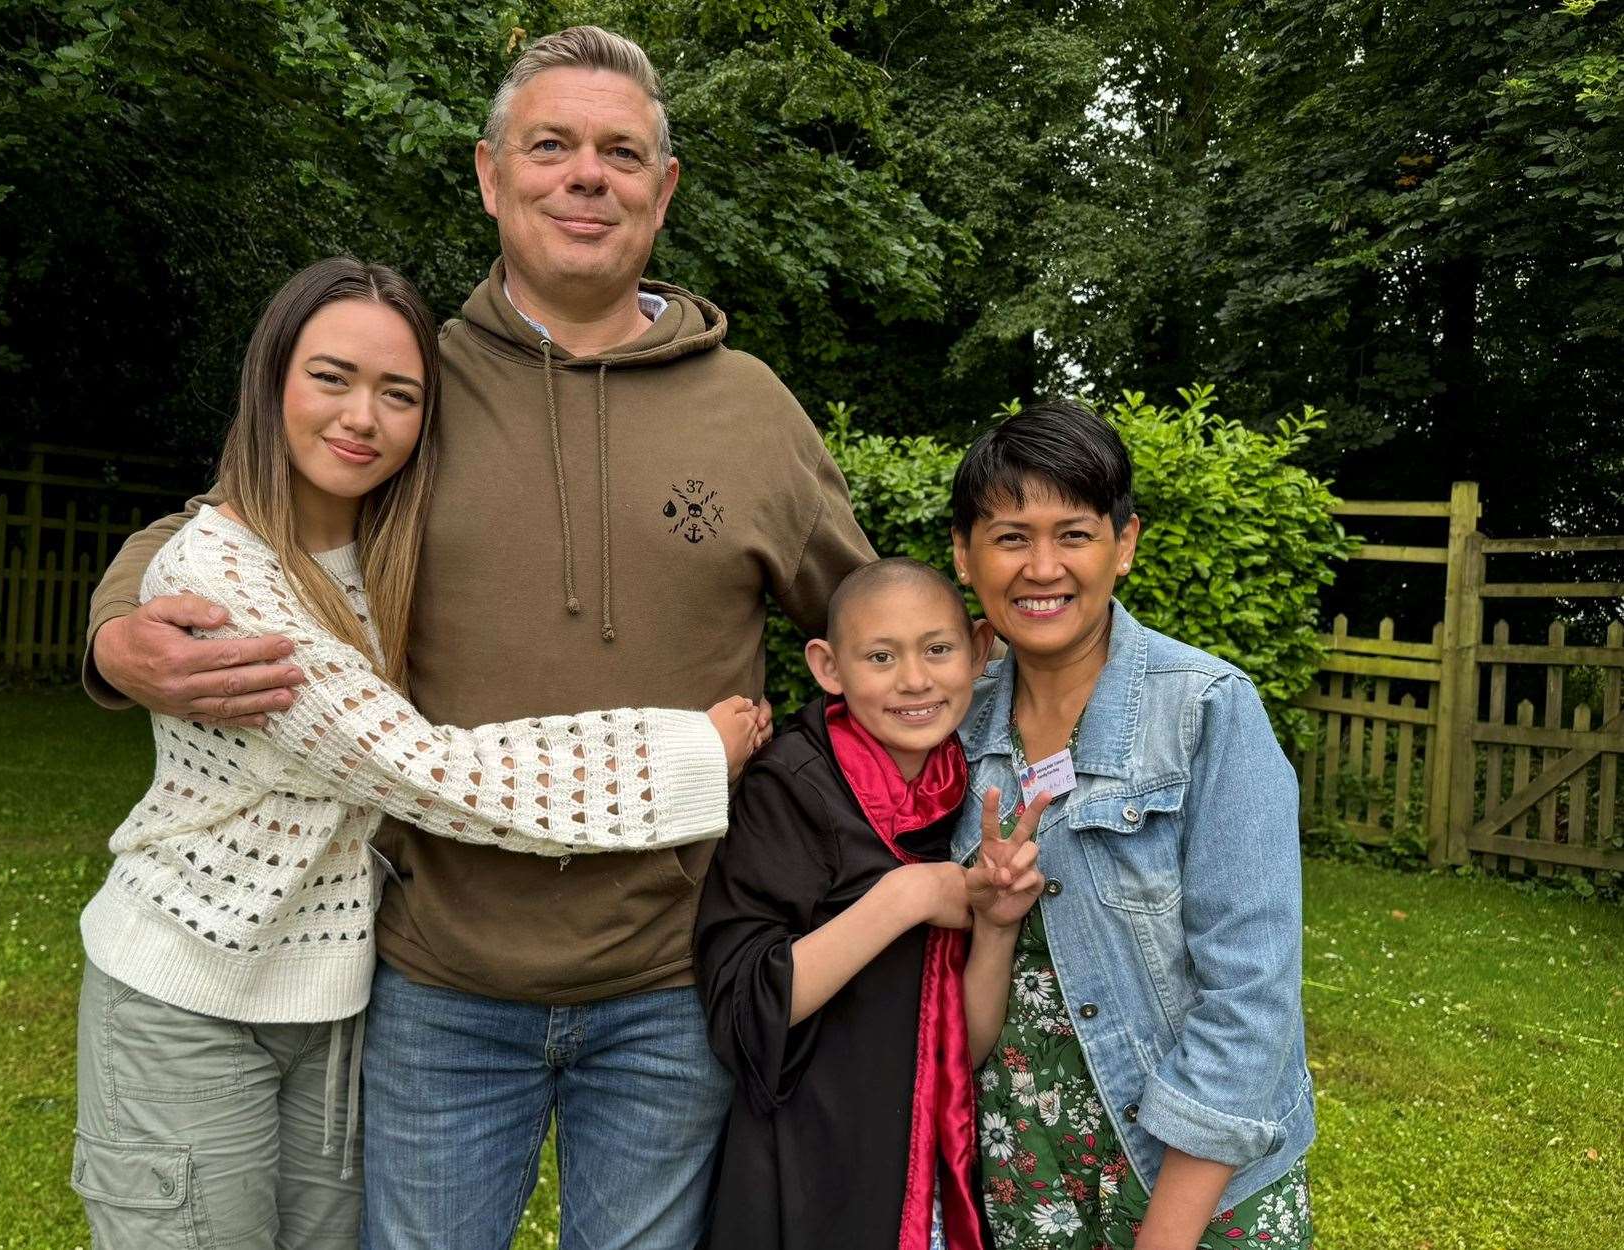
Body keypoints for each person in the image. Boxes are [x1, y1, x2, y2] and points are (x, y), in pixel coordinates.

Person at [80, 27, 876, 1250]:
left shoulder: (752, 410)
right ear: (489, 172)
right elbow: (236, 523)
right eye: (549, 144)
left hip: (670, 975)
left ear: (663, 192)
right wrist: (117, 633)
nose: (585, 175)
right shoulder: (413, 385)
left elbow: (874, 632)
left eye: (621, 152)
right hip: (438, 976)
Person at [68, 255, 770, 1250]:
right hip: (191, 987)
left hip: (328, 1001)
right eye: (329, 377)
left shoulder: (382, 545)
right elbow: (435, 773)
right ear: (268, 381)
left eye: (397, 395)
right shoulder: (226, 581)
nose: (361, 415)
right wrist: (688, 751)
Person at [946, 401, 1314, 1249]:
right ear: (964, 556)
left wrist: (1169, 1228)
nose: (1042, 567)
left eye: (1072, 534)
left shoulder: (1206, 712)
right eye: (1009, 537)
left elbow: (1252, 995)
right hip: (1017, 1173)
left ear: (1124, 545)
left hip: (1194, 1184)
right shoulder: (947, 730)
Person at [695, 557, 1049, 1250]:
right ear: (829, 668)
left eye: (938, 650)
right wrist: (907, 894)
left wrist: (996, 927)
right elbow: (742, 1012)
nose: (914, 680)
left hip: (923, 1155)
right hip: (808, 1159)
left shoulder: (967, 784)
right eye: (880, 657)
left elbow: (963, 1047)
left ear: (980, 652)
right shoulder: (792, 788)